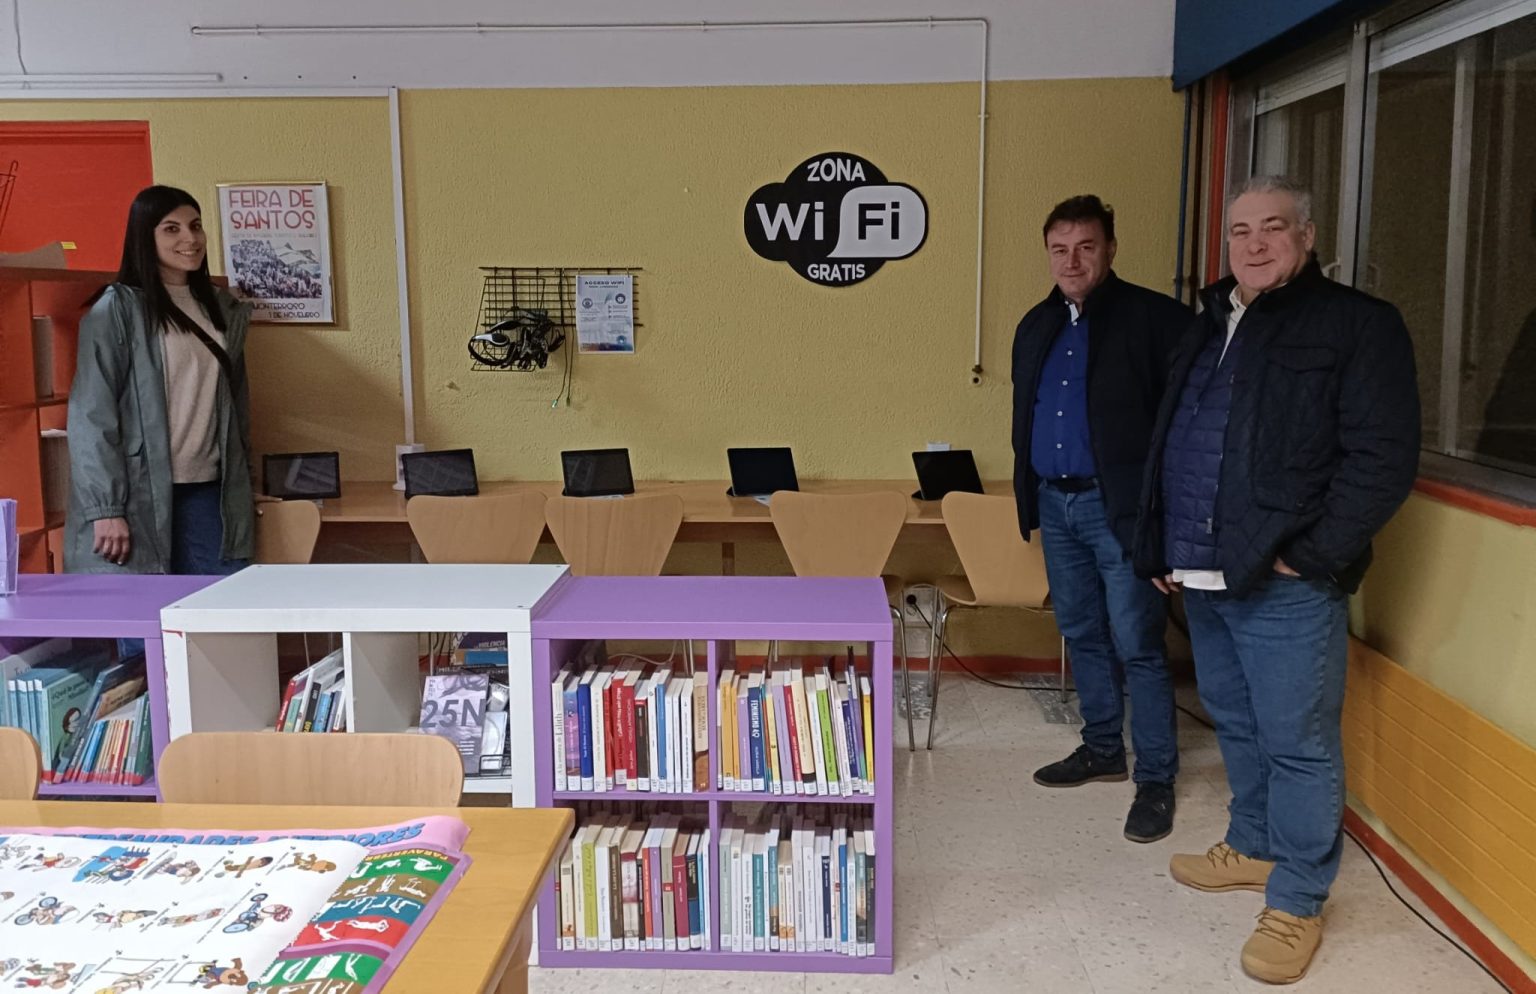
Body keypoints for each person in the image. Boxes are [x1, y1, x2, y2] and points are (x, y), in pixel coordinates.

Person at [1134, 175, 1420, 984]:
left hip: (1286, 581)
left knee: (1298, 743)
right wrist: (1160, 543)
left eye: (1273, 227)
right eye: (1240, 231)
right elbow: (1176, 439)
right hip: (1203, 572)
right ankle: (1254, 842)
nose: (1254, 243)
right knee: (1234, 717)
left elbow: (1382, 457)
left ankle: (1297, 898)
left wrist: (1315, 553)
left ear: (1308, 235)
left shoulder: (1357, 325)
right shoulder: (1211, 321)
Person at [1011, 195, 1191, 843]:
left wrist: (1168, 521)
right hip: (1055, 504)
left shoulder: (1156, 320)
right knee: (1082, 631)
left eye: (1085, 247)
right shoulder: (1037, 325)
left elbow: (1184, 428)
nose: (1072, 261)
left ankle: (1157, 777)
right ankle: (1103, 749)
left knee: (1137, 641)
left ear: (1110, 249)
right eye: (1059, 249)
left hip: (1121, 510)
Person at [66, 185, 255, 575]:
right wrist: (106, 508)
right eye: (172, 229)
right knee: (142, 610)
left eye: (195, 226)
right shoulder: (118, 308)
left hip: (209, 490)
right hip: (138, 493)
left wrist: (245, 481)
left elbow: (237, 407)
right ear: (145, 236)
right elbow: (91, 414)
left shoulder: (221, 310)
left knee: (223, 601)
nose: (190, 238)